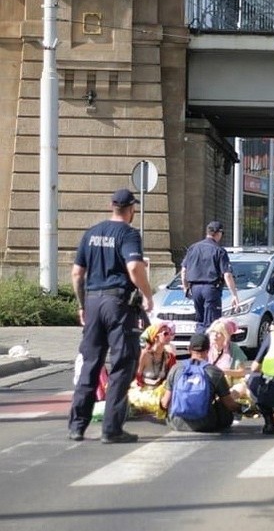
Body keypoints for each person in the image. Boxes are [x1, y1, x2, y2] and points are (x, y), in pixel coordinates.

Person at [68, 188, 154, 444]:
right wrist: (147, 294)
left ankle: (76, 426)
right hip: (118, 304)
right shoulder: (128, 233)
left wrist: (82, 304)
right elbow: (134, 267)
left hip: (93, 301)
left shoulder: (91, 233)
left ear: (111, 206)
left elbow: (76, 274)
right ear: (132, 210)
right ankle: (112, 428)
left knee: (90, 362)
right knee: (122, 365)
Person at [160, 332, 243, 432]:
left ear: (189, 349)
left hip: (176, 423)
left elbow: (165, 403)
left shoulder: (176, 368)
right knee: (222, 404)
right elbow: (229, 404)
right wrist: (241, 408)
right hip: (205, 424)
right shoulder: (214, 372)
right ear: (208, 350)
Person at [180, 221, 240, 333]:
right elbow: (227, 274)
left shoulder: (193, 248)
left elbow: (183, 271)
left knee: (200, 321)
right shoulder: (219, 251)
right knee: (213, 324)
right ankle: (210, 348)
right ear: (218, 233)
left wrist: (186, 288)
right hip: (211, 289)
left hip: (195, 289)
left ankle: (199, 346)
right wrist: (234, 295)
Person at [127, 321, 177, 419]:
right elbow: (137, 377)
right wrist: (149, 382)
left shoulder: (168, 356)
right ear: (155, 337)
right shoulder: (145, 355)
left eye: (170, 333)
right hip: (145, 390)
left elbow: (171, 378)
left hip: (159, 390)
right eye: (165, 333)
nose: (169, 336)